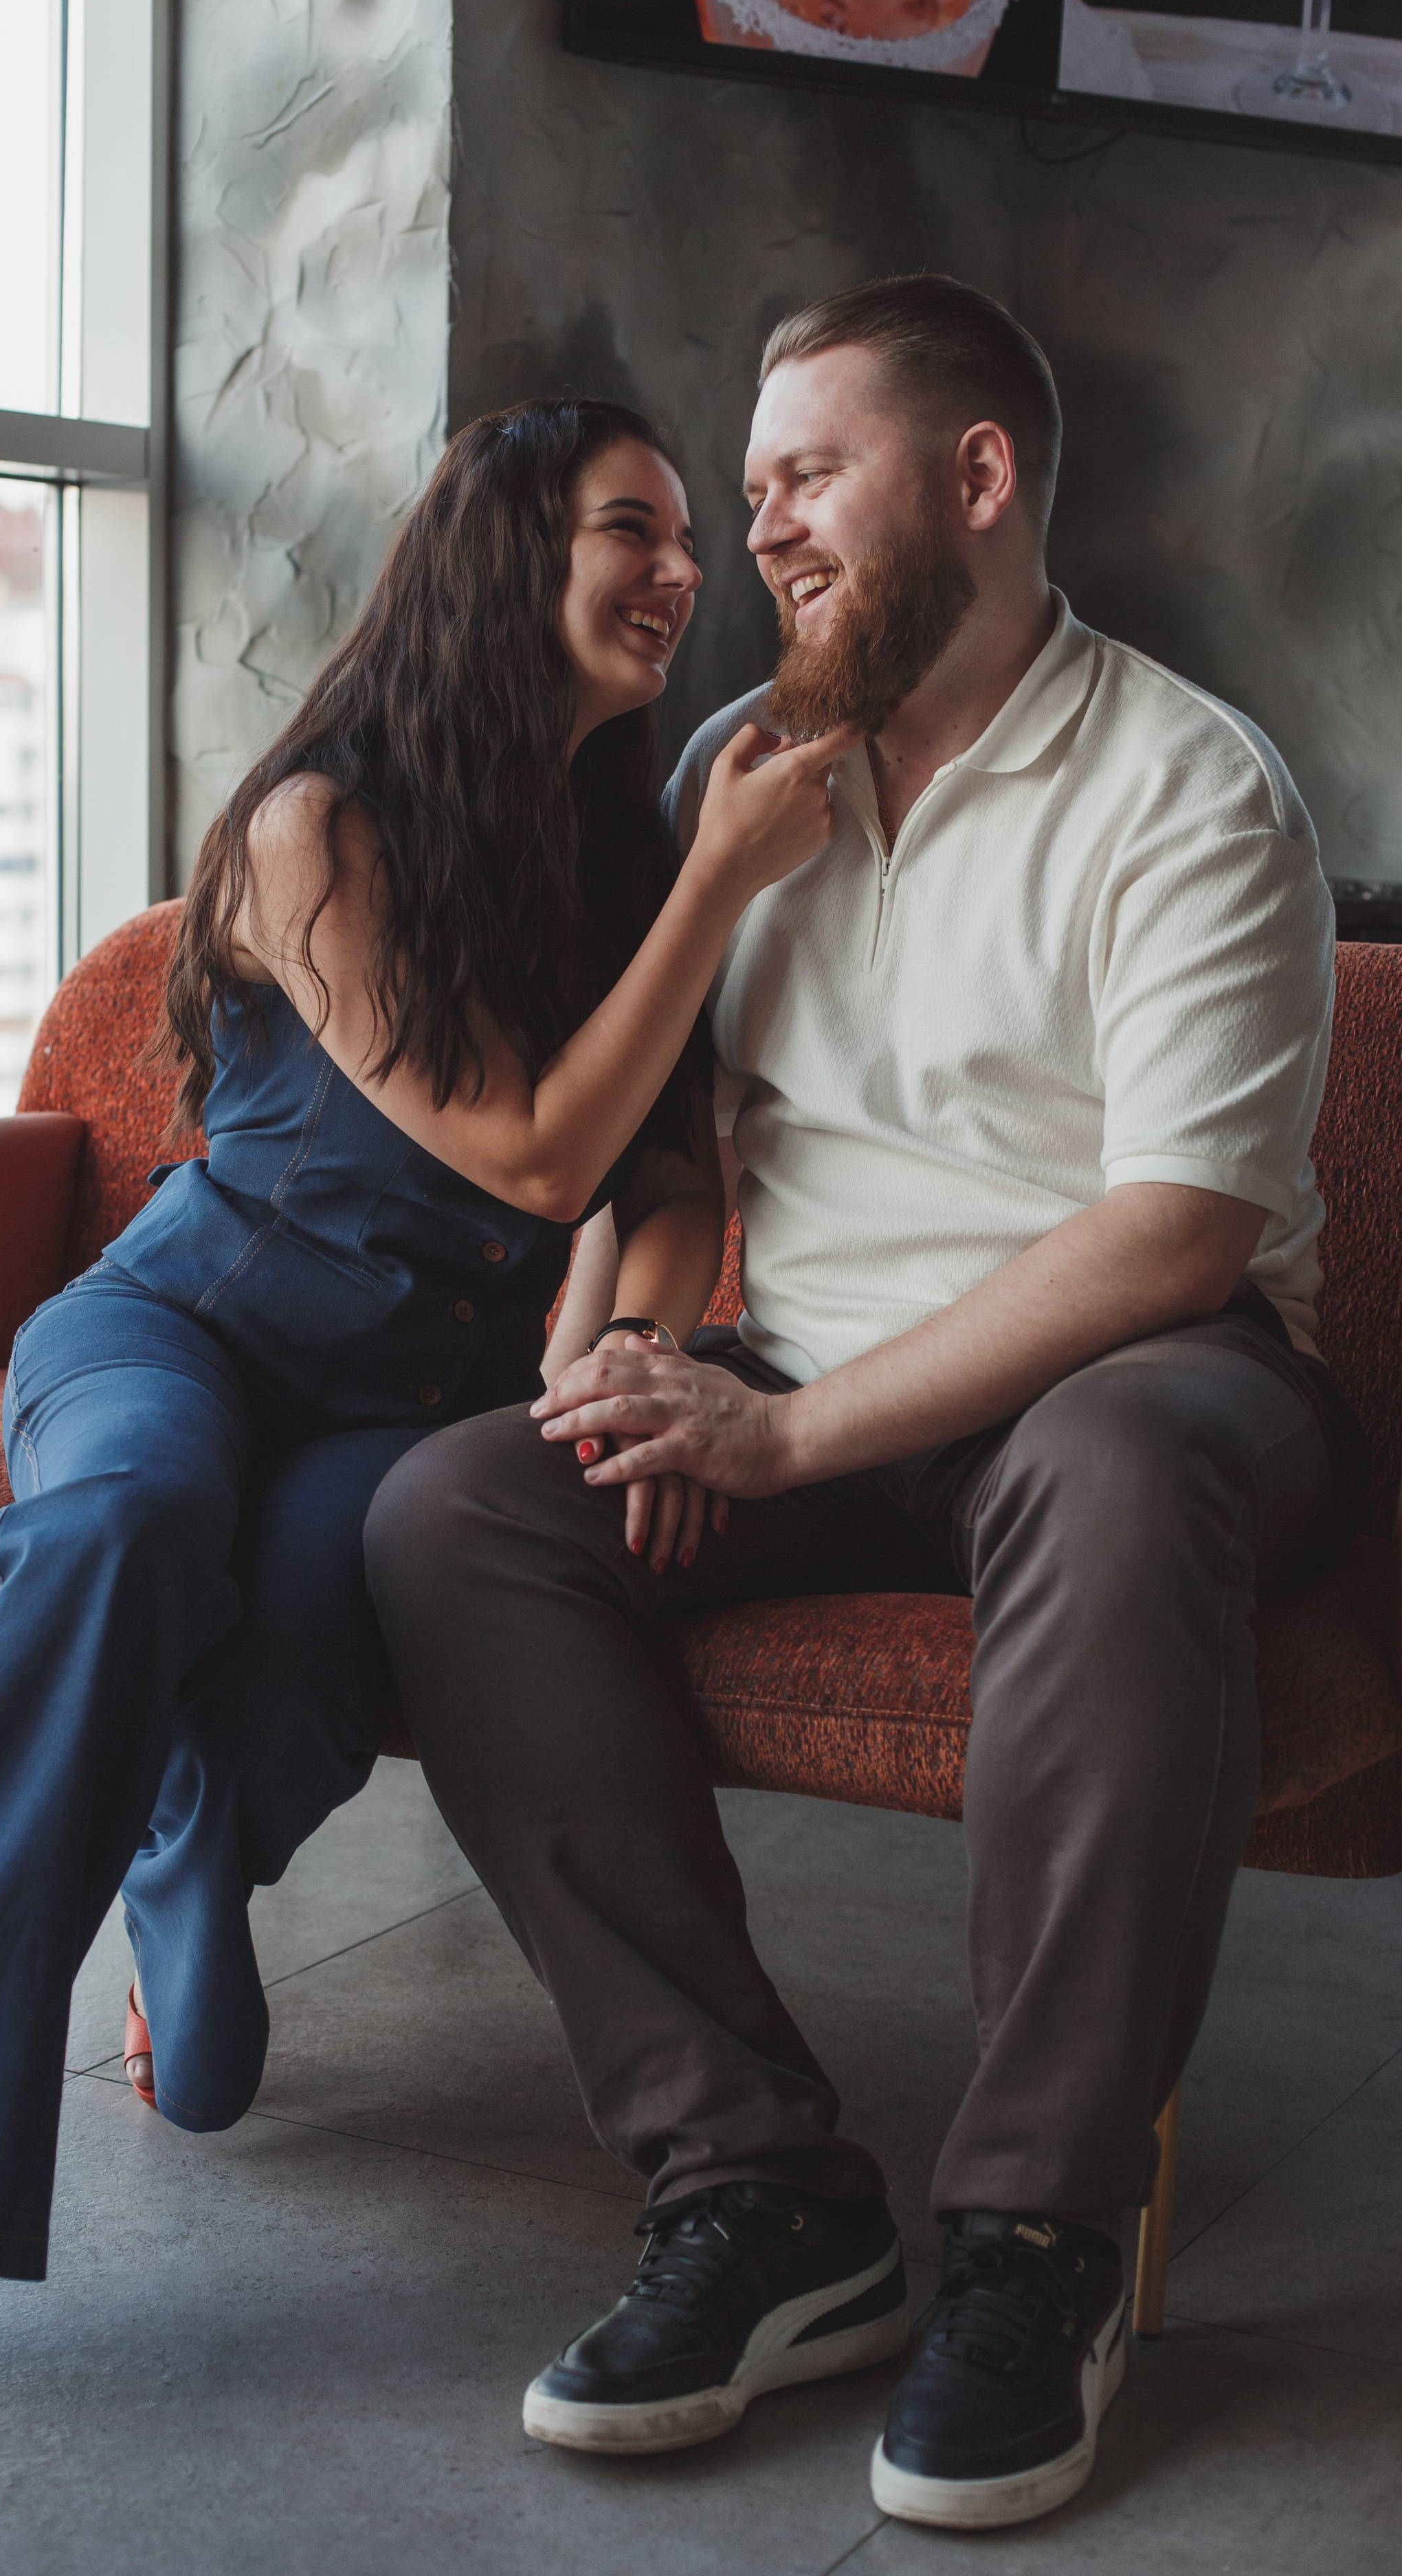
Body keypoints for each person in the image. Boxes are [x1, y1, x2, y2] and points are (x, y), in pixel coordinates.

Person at [0, 397, 861, 2414]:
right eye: (628, 531)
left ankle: (191, 1842)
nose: (681, 574)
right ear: (498, 558)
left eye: (685, 540)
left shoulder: (615, 851)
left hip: (404, 1414)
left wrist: (626, 1353)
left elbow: (652, 1189)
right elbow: (534, 1153)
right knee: (119, 1535)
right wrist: (726, 882)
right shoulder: (321, 827)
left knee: (325, 1606)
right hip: (179, 1340)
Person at [364, 278, 1369, 2531]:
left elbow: (1174, 1239)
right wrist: (620, 1340)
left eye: (806, 474)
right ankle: (761, 2195)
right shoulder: (741, 775)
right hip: (805, 1367)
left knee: (1112, 1462)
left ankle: (1037, 2236)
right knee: (461, 1513)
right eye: (751, 493)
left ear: (982, 478)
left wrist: (789, 1441)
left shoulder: (1194, 785)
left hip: (1152, 1389)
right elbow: (681, 1153)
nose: (764, 531)